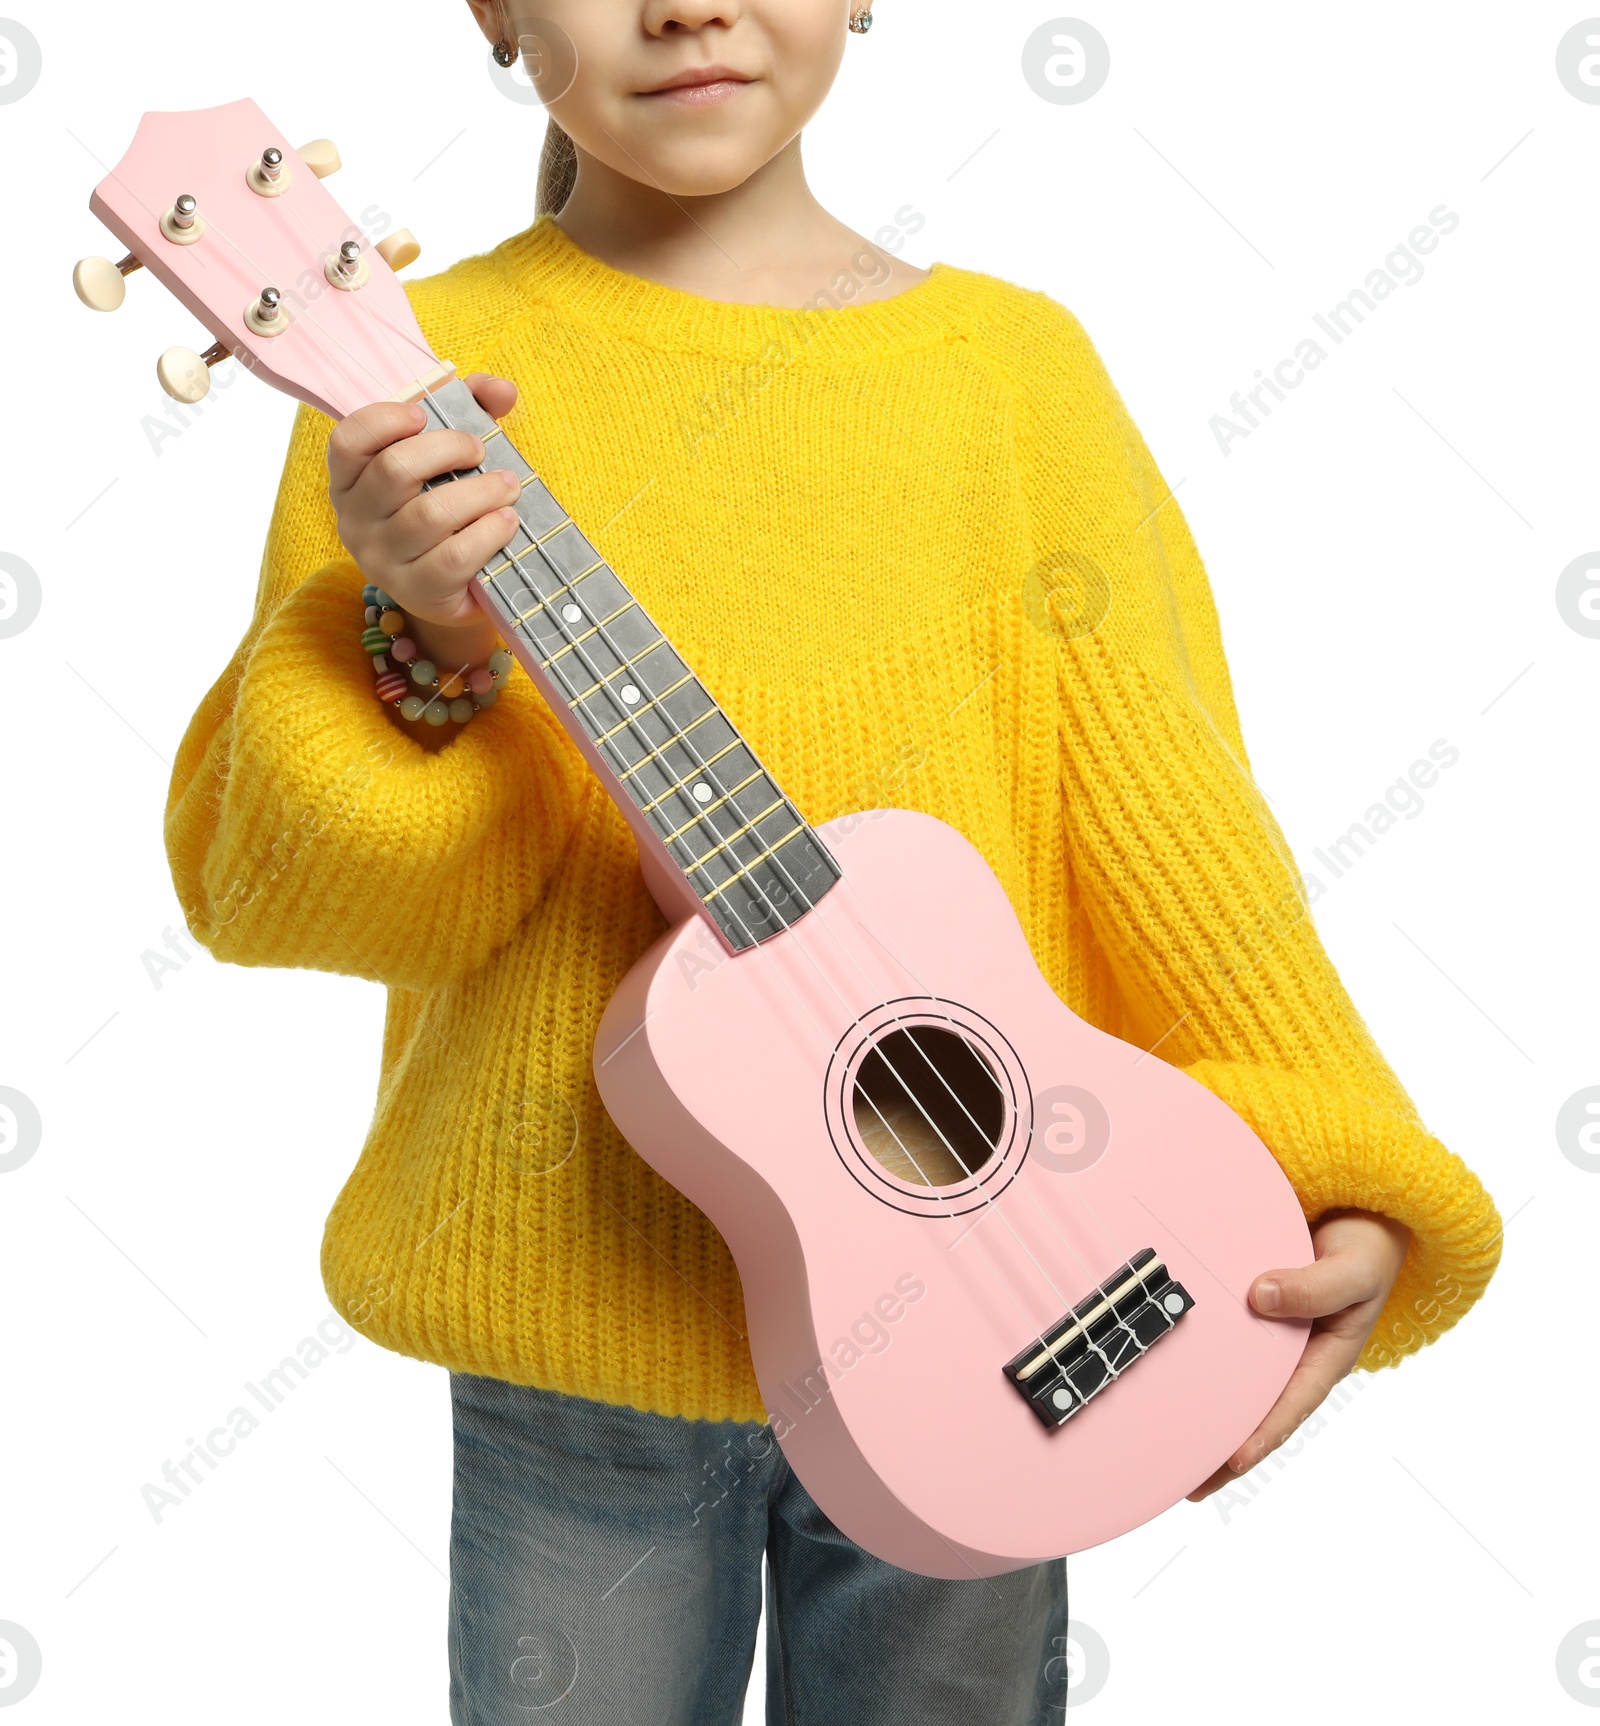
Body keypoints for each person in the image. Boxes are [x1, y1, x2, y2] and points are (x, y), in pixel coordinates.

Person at [164, 3, 1503, 1721]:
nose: (688, 5)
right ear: (493, 11)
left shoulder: (1010, 375)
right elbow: (306, 900)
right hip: (579, 1362)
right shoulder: (410, 383)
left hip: (1015, 1316)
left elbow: (1172, 815)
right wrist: (422, 633)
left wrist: (1340, 1151)